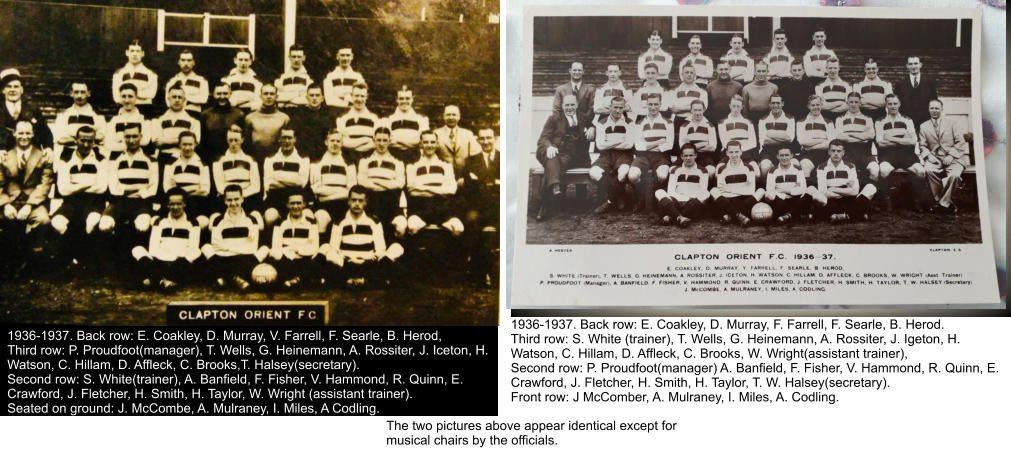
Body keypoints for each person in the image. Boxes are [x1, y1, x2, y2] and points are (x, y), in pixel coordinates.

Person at [321, 184, 404, 288]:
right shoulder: (339, 221)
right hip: (346, 263)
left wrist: (364, 261)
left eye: (360, 201)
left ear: (365, 202)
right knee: (329, 255)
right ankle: (364, 281)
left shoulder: (374, 221)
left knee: (395, 250)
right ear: (348, 201)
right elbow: (334, 248)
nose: (357, 204)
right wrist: (347, 260)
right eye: (354, 200)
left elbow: (380, 249)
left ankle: (356, 281)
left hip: (367, 263)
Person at [51, 126, 111, 268]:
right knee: (57, 223)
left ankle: (85, 259)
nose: (85, 144)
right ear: (76, 140)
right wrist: (88, 184)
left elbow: (101, 187)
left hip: (94, 202)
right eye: (82, 140)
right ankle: (71, 256)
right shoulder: (66, 159)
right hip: (71, 202)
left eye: (89, 141)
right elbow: (63, 189)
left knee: (90, 223)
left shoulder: (101, 159)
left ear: (94, 142)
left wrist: (75, 185)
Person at [0, 121, 53, 275]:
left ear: (33, 134)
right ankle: (6, 261)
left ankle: (32, 261)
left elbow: (45, 184)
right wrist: (5, 205)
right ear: (14, 134)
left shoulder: (42, 156)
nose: (24, 137)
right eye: (21, 133)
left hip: (33, 202)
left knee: (43, 219)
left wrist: (29, 205)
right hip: (9, 201)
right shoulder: (4, 157)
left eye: (28, 133)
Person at [131, 188, 202, 289]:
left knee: (196, 252)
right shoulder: (159, 221)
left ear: (184, 204)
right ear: (168, 205)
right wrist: (164, 257)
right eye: (172, 204)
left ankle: (154, 279)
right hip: (160, 260)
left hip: (180, 262)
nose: (175, 207)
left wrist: (177, 259)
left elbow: (193, 247)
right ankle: (164, 281)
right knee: (137, 249)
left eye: (179, 204)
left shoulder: (193, 223)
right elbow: (153, 248)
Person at [202, 184, 268, 290]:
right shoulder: (217, 220)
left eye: (236, 199)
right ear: (225, 201)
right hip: (223, 257)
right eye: (229, 200)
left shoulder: (252, 219)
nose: (233, 203)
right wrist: (236, 248)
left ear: (242, 199)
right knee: (206, 248)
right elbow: (216, 246)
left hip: (245, 257)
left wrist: (229, 248)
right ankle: (235, 278)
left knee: (263, 250)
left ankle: (224, 277)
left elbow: (252, 247)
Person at [106, 124, 158, 258]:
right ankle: (111, 260)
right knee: (104, 224)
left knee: (142, 225)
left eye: (135, 136)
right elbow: (113, 187)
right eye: (127, 136)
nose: (131, 140)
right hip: (120, 202)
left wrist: (131, 190)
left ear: (141, 137)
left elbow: (152, 188)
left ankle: (138, 258)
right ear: (123, 138)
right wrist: (139, 187)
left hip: (141, 203)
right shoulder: (115, 160)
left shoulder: (151, 160)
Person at [405, 130, 462, 240]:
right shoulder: (412, 166)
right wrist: (440, 189)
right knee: (412, 227)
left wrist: (423, 187)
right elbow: (411, 189)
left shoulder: (446, 166)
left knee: (458, 228)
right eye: (426, 142)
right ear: (421, 144)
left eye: (432, 142)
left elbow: (452, 189)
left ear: (437, 144)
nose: (429, 145)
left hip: (442, 207)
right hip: (420, 206)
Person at [461, 128, 498, 285]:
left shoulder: (503, 159)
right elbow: (469, 188)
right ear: (478, 140)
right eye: (482, 139)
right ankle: (478, 271)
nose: (486, 142)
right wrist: (493, 183)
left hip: (498, 206)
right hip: (479, 206)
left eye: (488, 138)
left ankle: (496, 270)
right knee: (471, 222)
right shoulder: (471, 161)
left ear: (495, 138)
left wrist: (480, 181)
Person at [918, 99, 969, 214]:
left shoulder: (952, 123)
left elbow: (960, 142)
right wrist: (928, 155)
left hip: (954, 158)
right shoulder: (924, 126)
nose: (934, 111)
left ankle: (942, 204)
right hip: (935, 158)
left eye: (937, 108)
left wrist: (951, 155)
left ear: (942, 109)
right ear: (928, 109)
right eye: (932, 108)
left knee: (954, 176)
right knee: (928, 170)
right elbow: (922, 145)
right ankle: (944, 202)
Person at [875, 94, 925, 211]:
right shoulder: (880, 121)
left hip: (907, 155)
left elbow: (912, 141)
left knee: (921, 172)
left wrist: (891, 138)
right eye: (890, 104)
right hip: (888, 155)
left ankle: (916, 200)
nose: (893, 106)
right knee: (883, 171)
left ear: (899, 104)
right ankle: (887, 200)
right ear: (886, 105)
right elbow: (880, 143)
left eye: (895, 103)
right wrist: (903, 139)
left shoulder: (907, 119)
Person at [589, 97, 637, 214]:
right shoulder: (601, 123)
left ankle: (609, 202)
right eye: (615, 107)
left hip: (624, 155)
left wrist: (609, 143)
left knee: (623, 173)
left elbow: (629, 144)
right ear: (610, 107)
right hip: (606, 156)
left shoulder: (629, 122)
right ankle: (619, 197)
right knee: (594, 173)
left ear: (624, 108)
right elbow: (600, 145)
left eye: (621, 107)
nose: (617, 110)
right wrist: (620, 141)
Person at [629, 93, 676, 211]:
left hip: (660, 156)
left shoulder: (668, 122)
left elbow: (669, 145)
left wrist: (647, 145)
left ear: (660, 105)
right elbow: (638, 146)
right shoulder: (640, 123)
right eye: (650, 104)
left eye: (656, 104)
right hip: (642, 156)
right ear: (646, 105)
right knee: (633, 176)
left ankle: (652, 200)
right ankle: (641, 196)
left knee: (662, 175)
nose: (653, 107)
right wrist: (659, 141)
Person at [809, 140, 876, 222]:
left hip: (848, 200)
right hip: (831, 201)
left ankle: (844, 216)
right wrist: (846, 191)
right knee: (817, 196)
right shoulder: (821, 167)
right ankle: (853, 215)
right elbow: (823, 191)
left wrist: (834, 189)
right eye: (833, 151)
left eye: (839, 151)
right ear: (829, 152)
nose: (836, 153)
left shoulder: (850, 166)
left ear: (843, 152)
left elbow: (855, 191)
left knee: (871, 187)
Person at [357, 126, 407, 236]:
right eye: (378, 140)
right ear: (374, 140)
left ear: (389, 141)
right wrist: (386, 184)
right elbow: (361, 181)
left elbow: (400, 183)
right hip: (371, 200)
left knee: (401, 225)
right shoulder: (365, 160)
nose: (381, 143)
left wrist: (375, 183)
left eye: (385, 140)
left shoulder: (397, 161)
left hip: (391, 201)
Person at [269, 191, 322, 288]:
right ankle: (303, 279)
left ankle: (296, 279)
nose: (295, 206)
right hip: (287, 259)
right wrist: (289, 253)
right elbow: (276, 246)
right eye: (292, 203)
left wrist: (299, 251)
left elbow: (314, 246)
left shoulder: (311, 223)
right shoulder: (280, 223)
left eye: (298, 203)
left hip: (304, 258)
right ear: (287, 205)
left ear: (304, 204)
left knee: (319, 257)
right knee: (274, 256)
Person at [311, 128, 356, 233]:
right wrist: (340, 190)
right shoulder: (317, 163)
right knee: (321, 219)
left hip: (343, 204)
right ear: (326, 142)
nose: (335, 144)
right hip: (322, 205)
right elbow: (316, 189)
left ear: (342, 143)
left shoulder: (349, 164)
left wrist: (328, 197)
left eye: (338, 141)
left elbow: (351, 191)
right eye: (332, 141)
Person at [262, 127, 310, 225]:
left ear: (294, 139)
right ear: (279, 139)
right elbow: (269, 184)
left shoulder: (303, 158)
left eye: (289, 138)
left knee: (308, 217)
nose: (286, 141)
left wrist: (276, 177)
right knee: (270, 217)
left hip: (296, 198)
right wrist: (292, 180)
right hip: (275, 198)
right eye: (284, 138)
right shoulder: (270, 158)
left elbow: (301, 182)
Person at [162, 131, 211, 226]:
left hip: (196, 203)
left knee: (199, 222)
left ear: (195, 144)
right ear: (179, 145)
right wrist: (193, 188)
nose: (187, 148)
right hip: (175, 204)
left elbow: (205, 190)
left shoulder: (202, 164)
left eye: (190, 144)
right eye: (184, 144)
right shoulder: (170, 164)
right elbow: (167, 188)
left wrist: (179, 189)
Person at [655, 143, 709, 227]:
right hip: (676, 202)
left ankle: (672, 216)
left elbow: (702, 192)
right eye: (685, 155)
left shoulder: (703, 171)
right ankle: (680, 217)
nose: (688, 158)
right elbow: (671, 192)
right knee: (659, 192)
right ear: (681, 156)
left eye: (691, 155)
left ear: (695, 155)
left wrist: (688, 199)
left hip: (692, 204)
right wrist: (681, 199)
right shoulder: (675, 170)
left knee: (706, 194)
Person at [711, 140, 763, 226]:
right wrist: (743, 186)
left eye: (736, 152)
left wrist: (731, 189)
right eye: (731, 152)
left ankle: (730, 215)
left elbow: (751, 191)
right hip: (728, 200)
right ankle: (739, 215)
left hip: (743, 200)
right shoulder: (722, 169)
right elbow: (722, 191)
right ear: (727, 153)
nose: (734, 155)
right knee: (713, 190)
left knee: (761, 191)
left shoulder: (749, 167)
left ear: (741, 152)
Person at [0, 68, 53, 150]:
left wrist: (48, 148)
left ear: (22, 90)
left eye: (16, 87)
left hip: (30, 156)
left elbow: (45, 132)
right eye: (8, 86)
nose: (12, 90)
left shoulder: (33, 109)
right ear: (3, 90)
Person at [834, 92, 878, 187]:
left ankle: (870, 193)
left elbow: (871, 136)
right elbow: (839, 136)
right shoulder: (840, 118)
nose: (853, 104)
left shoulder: (868, 118)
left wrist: (850, 133)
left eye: (856, 102)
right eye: (851, 102)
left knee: (875, 170)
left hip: (865, 153)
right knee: (847, 175)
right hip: (848, 153)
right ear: (847, 103)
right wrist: (862, 137)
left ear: (860, 103)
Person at [53, 82, 107, 158]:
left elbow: (101, 136)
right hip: (68, 155)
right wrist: (86, 138)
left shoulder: (97, 116)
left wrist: (73, 138)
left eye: (82, 92)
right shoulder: (64, 115)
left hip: (92, 155)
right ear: (71, 93)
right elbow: (59, 138)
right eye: (76, 92)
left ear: (88, 93)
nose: (79, 96)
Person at [212, 125, 261, 208]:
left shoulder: (250, 160)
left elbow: (256, 186)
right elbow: (219, 186)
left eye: (236, 140)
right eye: (230, 140)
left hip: (247, 199)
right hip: (226, 200)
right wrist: (232, 197)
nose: (233, 143)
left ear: (242, 140)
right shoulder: (219, 161)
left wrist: (240, 197)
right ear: (227, 140)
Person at [152, 86, 201, 166]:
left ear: (184, 100)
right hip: (163, 158)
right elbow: (157, 143)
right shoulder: (158, 119)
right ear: (168, 99)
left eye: (180, 97)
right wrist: (181, 140)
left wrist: (166, 140)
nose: (177, 100)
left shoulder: (193, 121)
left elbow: (195, 141)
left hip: (184, 158)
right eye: (174, 97)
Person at [335, 82, 380, 165]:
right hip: (348, 160)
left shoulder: (374, 118)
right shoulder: (343, 118)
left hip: (369, 160)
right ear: (351, 96)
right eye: (356, 96)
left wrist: (355, 146)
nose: (359, 99)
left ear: (366, 97)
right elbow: (343, 142)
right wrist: (365, 139)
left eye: (362, 96)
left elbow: (376, 143)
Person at [243, 84, 290, 162]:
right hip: (255, 159)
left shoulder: (284, 118)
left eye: (272, 94)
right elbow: (246, 143)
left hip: (277, 160)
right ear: (260, 96)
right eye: (265, 94)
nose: (269, 96)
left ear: (276, 96)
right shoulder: (250, 117)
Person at [289, 84, 336, 161]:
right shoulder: (299, 114)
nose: (314, 98)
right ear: (307, 98)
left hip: (324, 156)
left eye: (317, 95)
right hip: (302, 155)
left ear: (322, 98)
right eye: (311, 95)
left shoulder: (328, 115)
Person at [763, 144, 810, 223]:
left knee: (809, 192)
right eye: (781, 155)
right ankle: (797, 215)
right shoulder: (772, 170)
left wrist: (787, 190)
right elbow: (770, 189)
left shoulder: (798, 169)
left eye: (786, 155)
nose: (784, 158)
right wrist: (786, 192)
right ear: (777, 156)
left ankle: (788, 215)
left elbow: (802, 188)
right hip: (781, 200)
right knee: (769, 195)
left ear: (791, 156)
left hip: (795, 199)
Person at [111, 40, 158, 117]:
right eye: (132, 51)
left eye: (138, 51)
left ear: (143, 53)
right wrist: (139, 95)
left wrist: (129, 95)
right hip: (124, 108)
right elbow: (116, 97)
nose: (135, 54)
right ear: (127, 52)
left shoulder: (151, 74)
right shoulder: (119, 73)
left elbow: (151, 94)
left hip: (144, 109)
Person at [386, 86, 430, 164]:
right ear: (397, 99)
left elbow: (422, 141)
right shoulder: (389, 120)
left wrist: (399, 141)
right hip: (394, 156)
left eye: (407, 98)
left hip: (414, 157)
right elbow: (388, 140)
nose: (404, 101)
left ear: (412, 99)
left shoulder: (421, 120)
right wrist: (411, 143)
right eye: (401, 98)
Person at [894, 56, 938, 133]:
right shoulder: (900, 84)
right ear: (907, 66)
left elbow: (934, 102)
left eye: (915, 63)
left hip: (925, 121)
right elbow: (896, 103)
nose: (913, 66)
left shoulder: (930, 82)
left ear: (920, 65)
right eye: (910, 64)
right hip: (906, 122)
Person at [796, 94, 835, 180]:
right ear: (808, 106)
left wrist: (811, 146)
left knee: (827, 172)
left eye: (818, 105)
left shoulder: (829, 122)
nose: (816, 107)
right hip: (807, 154)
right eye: (813, 105)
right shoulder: (801, 122)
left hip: (824, 153)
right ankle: (808, 192)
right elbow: (802, 141)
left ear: (821, 105)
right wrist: (822, 140)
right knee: (805, 167)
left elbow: (831, 143)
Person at [434, 105, 480, 176]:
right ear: (443, 116)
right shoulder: (436, 133)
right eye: (448, 115)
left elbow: (475, 156)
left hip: (464, 176)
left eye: (454, 115)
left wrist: (466, 175)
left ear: (459, 117)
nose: (451, 117)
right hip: (442, 175)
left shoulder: (468, 134)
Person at [106, 83, 150, 157]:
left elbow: (145, 141)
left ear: (136, 97)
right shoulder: (114, 120)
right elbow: (108, 144)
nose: (127, 100)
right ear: (120, 97)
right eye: (123, 96)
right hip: (117, 159)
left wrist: (119, 142)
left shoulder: (143, 119)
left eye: (130, 96)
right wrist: (132, 144)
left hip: (138, 158)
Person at [757, 94, 796, 177]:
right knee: (765, 166)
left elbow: (789, 138)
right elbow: (764, 141)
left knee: (796, 164)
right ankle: (765, 187)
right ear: (769, 104)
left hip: (785, 151)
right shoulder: (763, 119)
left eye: (778, 103)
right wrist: (782, 137)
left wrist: (770, 133)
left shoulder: (790, 118)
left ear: (782, 103)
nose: (775, 105)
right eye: (773, 103)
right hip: (768, 151)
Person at [678, 99, 718, 179]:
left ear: (704, 110)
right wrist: (704, 144)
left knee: (711, 170)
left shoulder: (710, 126)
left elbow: (712, 147)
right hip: (688, 156)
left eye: (699, 110)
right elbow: (683, 147)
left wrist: (691, 145)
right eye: (695, 110)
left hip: (705, 156)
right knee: (673, 169)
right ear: (691, 111)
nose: (697, 113)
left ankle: (707, 190)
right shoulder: (684, 126)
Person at [718, 95, 758, 170]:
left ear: (742, 107)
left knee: (756, 171)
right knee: (718, 170)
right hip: (729, 155)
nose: (736, 109)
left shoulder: (748, 122)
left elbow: (753, 142)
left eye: (738, 106)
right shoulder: (722, 122)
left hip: (745, 154)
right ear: (730, 106)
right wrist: (734, 151)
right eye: (733, 106)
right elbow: (724, 141)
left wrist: (739, 151)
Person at [164, 49, 209, 117]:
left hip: (193, 113)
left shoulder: (201, 80)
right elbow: (168, 101)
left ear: (193, 62)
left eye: (189, 60)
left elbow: (203, 99)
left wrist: (184, 98)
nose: (186, 63)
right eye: (183, 60)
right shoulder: (172, 81)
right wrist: (191, 99)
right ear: (179, 62)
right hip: (175, 114)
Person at [323, 47, 366, 115]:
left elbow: (360, 98)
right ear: (337, 57)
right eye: (342, 55)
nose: (345, 58)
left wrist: (342, 97)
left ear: (352, 57)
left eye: (347, 55)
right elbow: (329, 100)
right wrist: (348, 101)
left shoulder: (357, 77)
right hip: (334, 113)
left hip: (353, 113)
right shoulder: (330, 76)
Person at [552, 62, 595, 127]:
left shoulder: (590, 89)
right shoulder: (560, 89)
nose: (577, 72)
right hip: (564, 126)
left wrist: (584, 124)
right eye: (575, 70)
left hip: (584, 126)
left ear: (583, 72)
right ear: (570, 71)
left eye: (579, 70)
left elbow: (591, 109)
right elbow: (556, 110)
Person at [275, 43, 313, 109]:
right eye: (294, 56)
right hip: (284, 110)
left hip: (303, 111)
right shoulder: (281, 76)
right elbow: (277, 97)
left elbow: (309, 99)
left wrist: (286, 97)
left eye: (299, 57)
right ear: (289, 57)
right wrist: (298, 94)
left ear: (304, 58)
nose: (296, 60)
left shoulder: (309, 77)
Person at [705, 60, 742, 126]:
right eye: (721, 69)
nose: (723, 72)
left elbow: (741, 107)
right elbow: (707, 107)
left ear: (730, 69)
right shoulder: (710, 86)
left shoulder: (738, 86)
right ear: (716, 70)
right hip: (714, 122)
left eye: (726, 69)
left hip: (732, 122)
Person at [814, 57, 850, 123]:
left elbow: (848, 106)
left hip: (843, 120)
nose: (832, 71)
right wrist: (840, 103)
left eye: (835, 68)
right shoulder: (819, 85)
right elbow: (821, 106)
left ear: (839, 68)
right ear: (826, 69)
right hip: (825, 120)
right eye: (830, 68)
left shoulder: (847, 85)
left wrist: (829, 107)